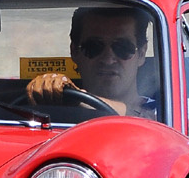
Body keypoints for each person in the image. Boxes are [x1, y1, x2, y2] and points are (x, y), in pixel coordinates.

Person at [26, 6, 158, 118]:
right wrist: (46, 90)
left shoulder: (165, 110)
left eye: (122, 47)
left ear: (141, 53)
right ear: (74, 51)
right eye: (93, 47)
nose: (108, 60)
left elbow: (148, 122)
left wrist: (77, 100)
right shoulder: (47, 115)